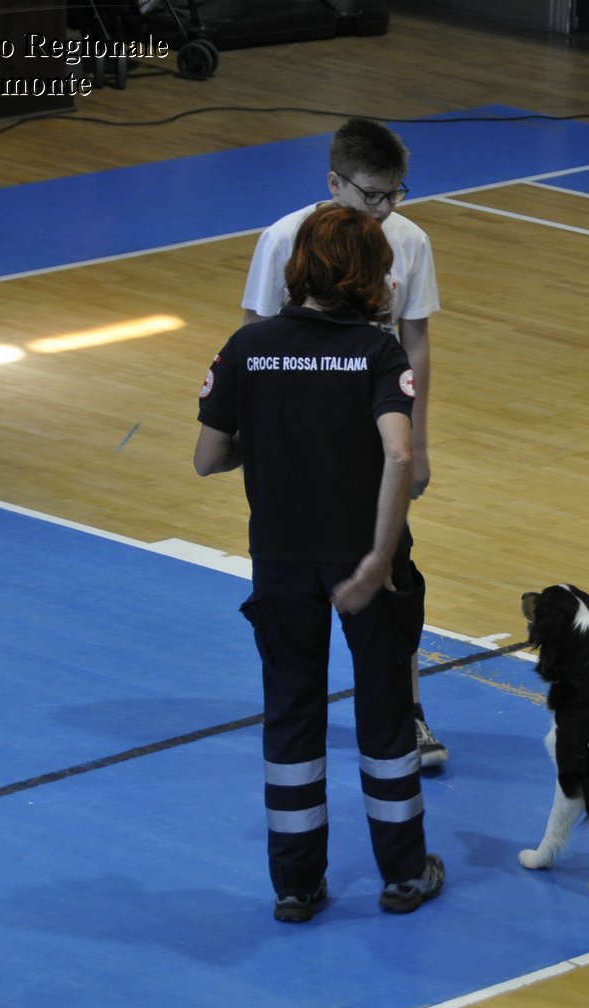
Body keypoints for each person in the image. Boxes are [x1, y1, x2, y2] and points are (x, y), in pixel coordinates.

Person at [196, 204, 444, 922]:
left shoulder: (246, 347)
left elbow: (208, 457)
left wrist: (272, 443)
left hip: (279, 563)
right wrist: (374, 559)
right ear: (366, 276)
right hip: (364, 563)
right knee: (385, 712)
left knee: (292, 715)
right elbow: (399, 453)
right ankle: (402, 874)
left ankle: (297, 886)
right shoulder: (376, 353)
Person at [242, 116, 449, 770]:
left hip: (374, 441)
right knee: (296, 591)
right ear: (334, 182)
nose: (385, 209)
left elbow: (415, 339)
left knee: (394, 579)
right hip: (305, 445)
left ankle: (404, 713)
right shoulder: (283, 240)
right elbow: (255, 338)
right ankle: (299, 717)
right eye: (371, 195)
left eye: (396, 194)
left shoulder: (409, 241)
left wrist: (416, 438)